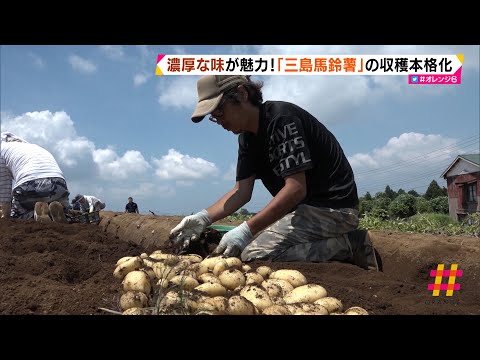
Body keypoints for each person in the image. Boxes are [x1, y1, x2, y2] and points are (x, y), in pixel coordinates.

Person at [169, 75, 380, 271]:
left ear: (242, 94)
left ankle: (351, 245)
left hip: (333, 210)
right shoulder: (246, 138)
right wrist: (203, 218)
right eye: (214, 118)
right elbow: (242, 191)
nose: (220, 121)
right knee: (247, 250)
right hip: (304, 212)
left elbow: (296, 189)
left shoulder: (282, 119)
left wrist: (245, 230)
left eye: (220, 112)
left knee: (255, 255)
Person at [0, 132, 69, 222]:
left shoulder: (2, 151)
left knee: (18, 216)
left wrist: (5, 217)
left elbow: (4, 190)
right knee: (59, 203)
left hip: (30, 185)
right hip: (59, 184)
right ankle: (60, 211)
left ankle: (34, 215)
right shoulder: (34, 147)